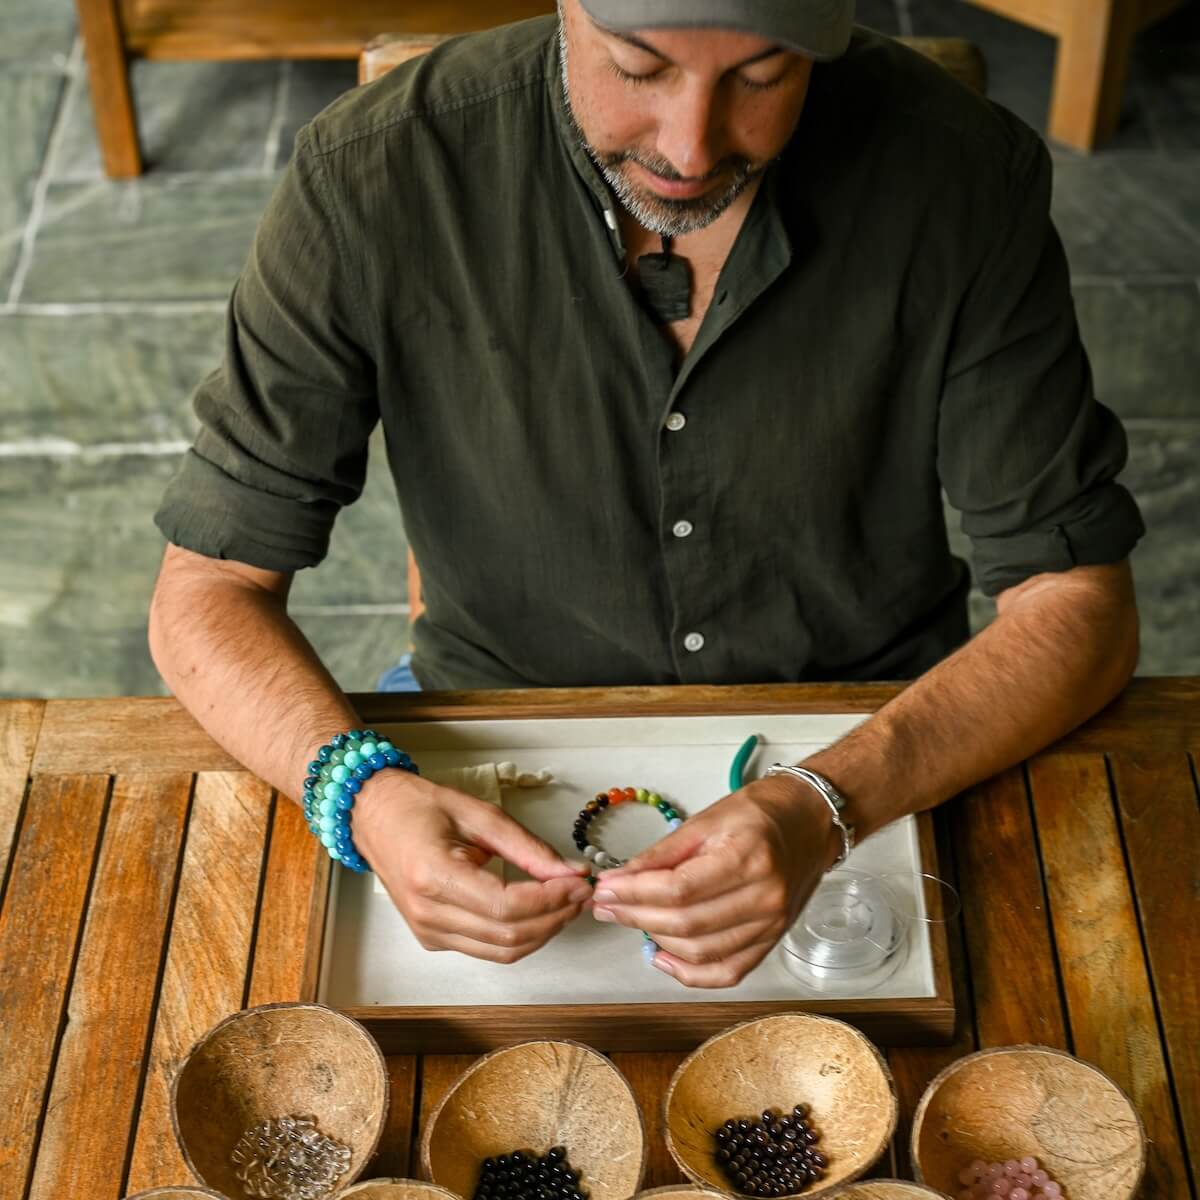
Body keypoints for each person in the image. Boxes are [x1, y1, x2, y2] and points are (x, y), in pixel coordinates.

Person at [149, 0, 1144, 988]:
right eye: (638, 68)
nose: (691, 147)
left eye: (762, 77)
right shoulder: (374, 172)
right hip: (496, 720)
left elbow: (1078, 607)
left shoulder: (961, 172)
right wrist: (361, 799)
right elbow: (207, 592)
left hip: (877, 741)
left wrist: (827, 800)